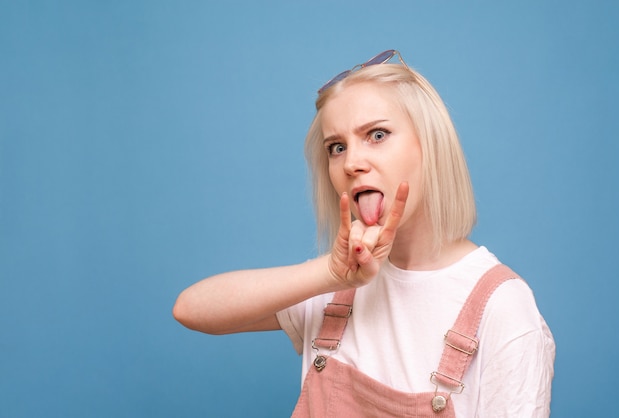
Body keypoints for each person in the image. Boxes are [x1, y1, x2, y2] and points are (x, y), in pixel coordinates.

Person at [173, 50, 555, 417]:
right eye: (336, 147)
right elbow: (191, 309)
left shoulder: (501, 307)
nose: (352, 162)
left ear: (431, 147)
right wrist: (330, 275)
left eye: (376, 135)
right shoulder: (336, 283)